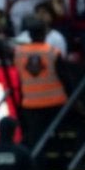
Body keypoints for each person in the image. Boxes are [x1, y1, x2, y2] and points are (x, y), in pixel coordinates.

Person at [14, 16, 69, 152]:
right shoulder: (52, 52)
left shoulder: (19, 52)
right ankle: (65, 166)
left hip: (30, 103)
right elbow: (65, 78)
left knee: (35, 140)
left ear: (29, 34)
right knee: (58, 137)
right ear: (45, 33)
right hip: (55, 102)